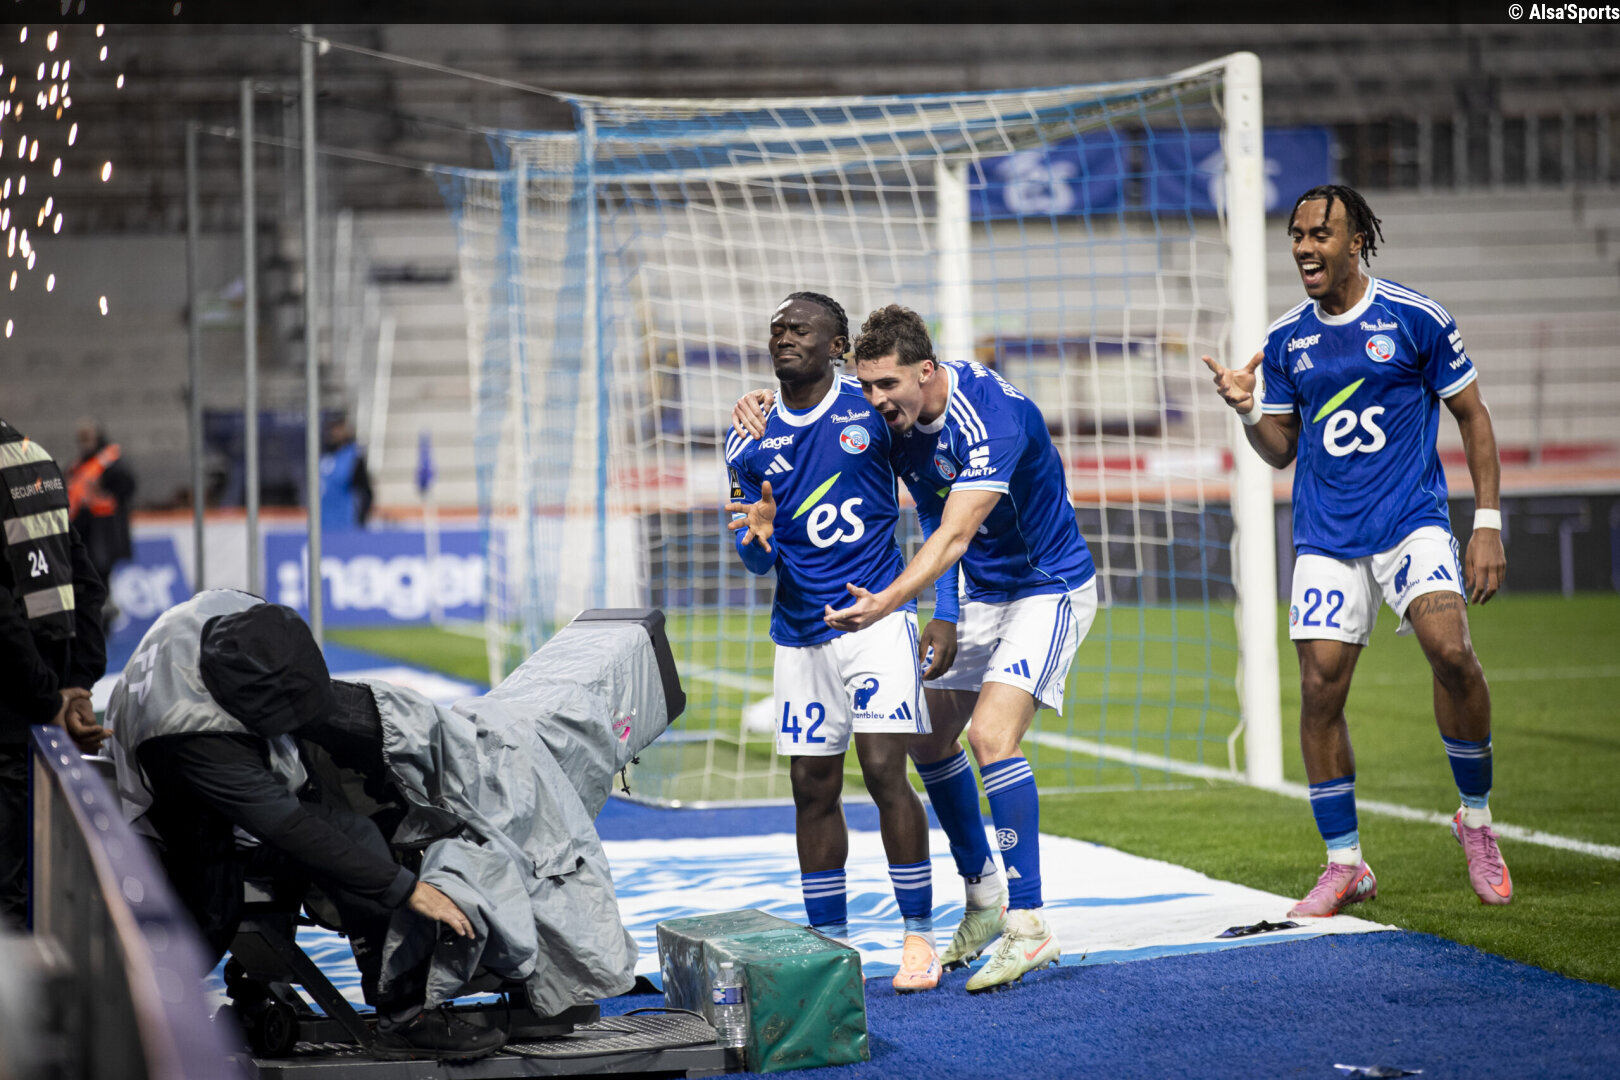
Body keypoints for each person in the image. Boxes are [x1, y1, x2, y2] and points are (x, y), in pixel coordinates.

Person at [743, 305, 1099, 993]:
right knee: (931, 740)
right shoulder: (899, 422)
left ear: (926, 372)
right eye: (867, 386)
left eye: (888, 386)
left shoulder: (991, 416)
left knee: (991, 736)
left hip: (1046, 586)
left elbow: (955, 533)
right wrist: (947, 612)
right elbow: (932, 509)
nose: (877, 401)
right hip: (981, 591)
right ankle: (984, 895)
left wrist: (890, 601)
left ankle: (1029, 923)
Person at [1202, 184, 1510, 915]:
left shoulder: (1415, 317)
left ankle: (1475, 819)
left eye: (1320, 234)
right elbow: (1280, 450)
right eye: (1297, 236)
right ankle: (1345, 864)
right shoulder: (1287, 339)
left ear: (1356, 242)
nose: (1305, 247)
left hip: (1410, 522)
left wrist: (1488, 522)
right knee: (1319, 689)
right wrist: (1247, 408)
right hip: (1327, 534)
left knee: (1451, 651)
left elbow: (1472, 415)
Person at [109, 594, 503, 1061]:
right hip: (179, 824)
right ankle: (404, 1017)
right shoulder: (197, 738)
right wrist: (407, 889)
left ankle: (257, 983)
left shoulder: (229, 613)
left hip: (178, 782)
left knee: (345, 801)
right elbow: (290, 828)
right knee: (346, 844)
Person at [724, 292, 944, 992]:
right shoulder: (746, 436)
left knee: (883, 770)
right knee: (810, 786)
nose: (784, 338)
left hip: (876, 617)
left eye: (800, 329)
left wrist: (940, 603)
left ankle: (919, 936)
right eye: (777, 329)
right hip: (800, 630)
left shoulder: (871, 411)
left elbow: (933, 495)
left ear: (838, 346)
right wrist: (759, 538)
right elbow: (753, 556)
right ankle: (830, 946)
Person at [0, 416, 110, 929]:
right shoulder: (34, 457)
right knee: (31, 889)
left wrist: (51, 698)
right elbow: (84, 580)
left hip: (20, 705)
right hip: (38, 712)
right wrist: (75, 688)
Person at [67, 418, 137, 624]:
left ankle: (104, 612)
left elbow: (127, 486)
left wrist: (104, 487)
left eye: (87, 437)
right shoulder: (78, 465)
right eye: (81, 438)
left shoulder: (110, 461)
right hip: (85, 531)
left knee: (100, 577)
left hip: (104, 533)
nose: (84, 443)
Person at [319, 416, 374, 531]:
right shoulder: (323, 456)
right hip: (323, 523)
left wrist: (361, 519)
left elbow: (365, 491)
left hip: (347, 523)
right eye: (331, 428)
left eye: (338, 428)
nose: (334, 432)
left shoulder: (354, 457)